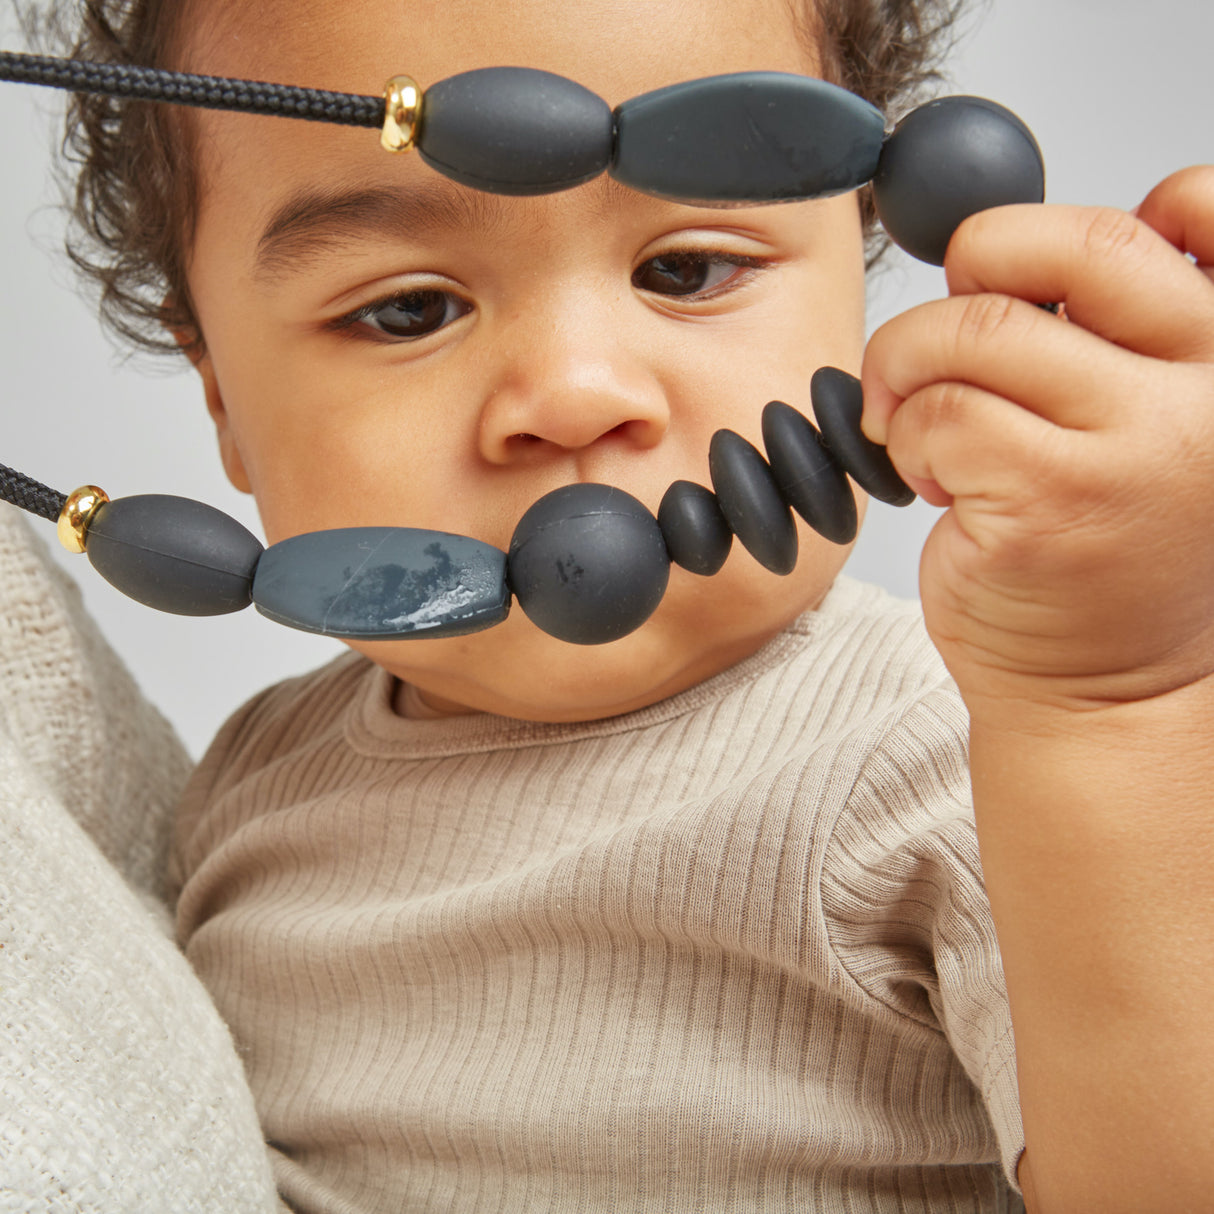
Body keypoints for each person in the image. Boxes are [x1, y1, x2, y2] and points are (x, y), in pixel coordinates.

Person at [36, 0, 1214, 1209]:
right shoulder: (251, 784)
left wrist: (1114, 706)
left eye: (685, 268)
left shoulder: (965, 769)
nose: (572, 393)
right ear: (221, 393)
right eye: (407, 308)